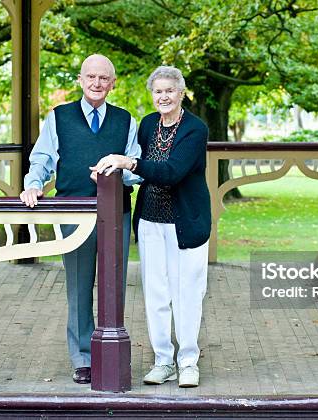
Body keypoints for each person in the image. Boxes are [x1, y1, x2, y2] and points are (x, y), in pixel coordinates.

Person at [20, 54, 141, 384]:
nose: (97, 83)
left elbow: (137, 167)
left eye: (104, 78)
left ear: (113, 83)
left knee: (114, 285)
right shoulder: (59, 117)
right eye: (91, 77)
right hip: (73, 212)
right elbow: (42, 160)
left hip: (117, 213)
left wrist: (120, 169)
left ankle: (110, 351)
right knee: (78, 286)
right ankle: (83, 357)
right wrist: (32, 186)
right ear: (80, 79)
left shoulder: (125, 120)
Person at [92, 65, 210, 388]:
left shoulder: (195, 129)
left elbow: (171, 171)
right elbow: (142, 171)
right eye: (158, 91)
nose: (163, 96)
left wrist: (129, 161)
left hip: (186, 223)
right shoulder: (147, 125)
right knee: (155, 293)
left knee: (186, 294)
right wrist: (109, 170)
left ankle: (188, 362)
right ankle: (163, 360)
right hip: (151, 221)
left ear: (181, 93)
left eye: (170, 90)